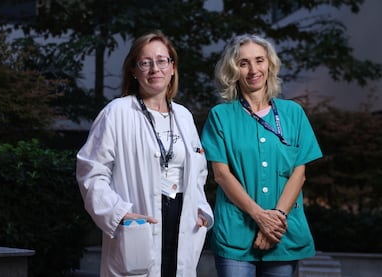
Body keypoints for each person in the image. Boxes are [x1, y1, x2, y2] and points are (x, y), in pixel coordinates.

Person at [76, 30, 213, 277]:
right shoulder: (117, 113)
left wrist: (201, 210)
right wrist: (118, 213)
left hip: (182, 217)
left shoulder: (183, 116)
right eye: (145, 62)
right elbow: (91, 172)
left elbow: (198, 171)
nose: (154, 69)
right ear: (134, 70)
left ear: (172, 68)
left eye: (162, 61)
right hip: (139, 218)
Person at [201, 34, 323, 277]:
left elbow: (299, 174)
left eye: (259, 60)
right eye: (244, 63)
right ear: (233, 69)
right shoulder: (220, 116)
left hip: (282, 233)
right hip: (236, 232)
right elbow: (222, 176)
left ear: (270, 64)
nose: (253, 69)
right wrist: (259, 217)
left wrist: (275, 220)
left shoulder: (293, 113)